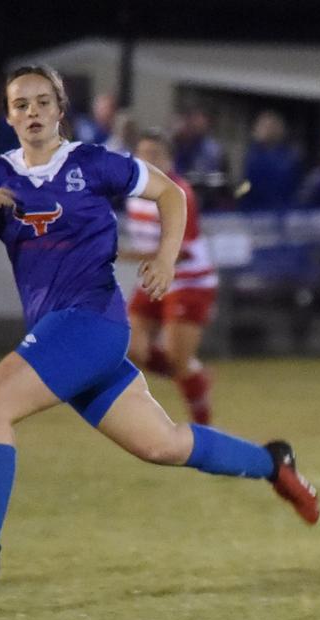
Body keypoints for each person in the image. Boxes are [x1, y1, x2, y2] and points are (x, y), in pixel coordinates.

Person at [0, 65, 319, 584]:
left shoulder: (92, 162)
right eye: (21, 105)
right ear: (9, 116)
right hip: (67, 333)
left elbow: (169, 193)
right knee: (163, 444)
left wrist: (166, 259)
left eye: (42, 102)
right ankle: (273, 464)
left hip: (90, 321)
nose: (32, 112)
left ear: (61, 109)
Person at [119, 128, 218, 425]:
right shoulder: (133, 190)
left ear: (170, 159)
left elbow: (180, 253)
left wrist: (119, 253)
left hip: (189, 280)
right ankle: (195, 375)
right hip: (154, 276)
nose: (149, 160)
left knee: (177, 360)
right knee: (131, 346)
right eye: (144, 154)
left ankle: (203, 425)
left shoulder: (179, 193)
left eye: (156, 155)